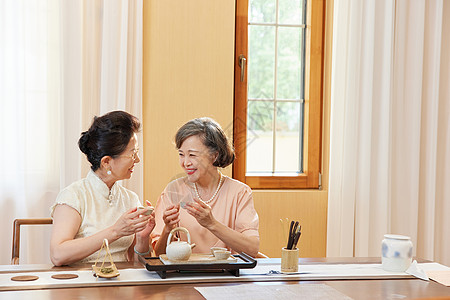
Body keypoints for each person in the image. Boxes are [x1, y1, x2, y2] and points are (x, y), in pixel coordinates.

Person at [50, 111, 155, 266]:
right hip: (82, 285)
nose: (137, 160)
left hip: (121, 284)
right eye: (133, 154)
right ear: (106, 162)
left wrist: (142, 238)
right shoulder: (74, 196)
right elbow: (57, 255)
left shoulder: (130, 199)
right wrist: (116, 231)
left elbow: (138, 264)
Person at [152, 117, 259, 257]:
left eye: (192, 155)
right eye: (181, 154)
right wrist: (168, 229)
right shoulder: (174, 190)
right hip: (184, 275)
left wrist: (211, 223)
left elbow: (251, 249)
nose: (185, 162)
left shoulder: (239, 192)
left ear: (214, 156)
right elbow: (159, 254)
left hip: (228, 276)